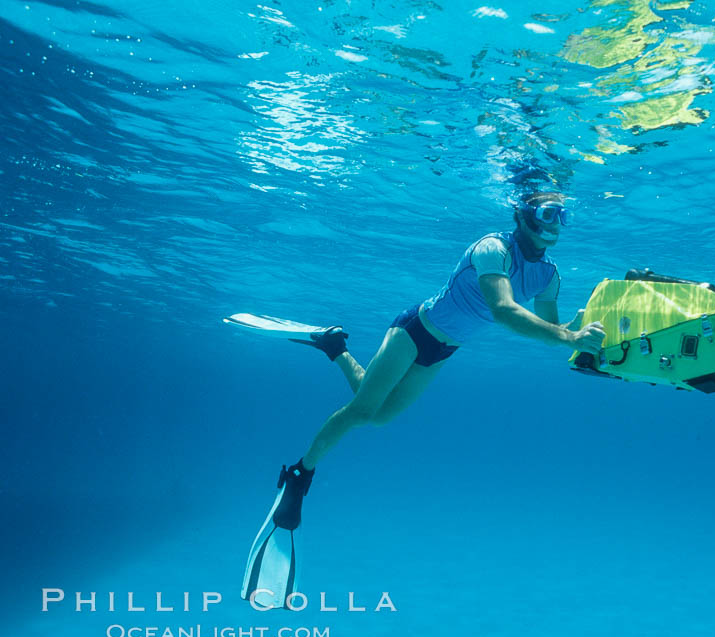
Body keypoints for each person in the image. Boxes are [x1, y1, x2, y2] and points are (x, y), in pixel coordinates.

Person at [243, 192, 607, 605]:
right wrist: (568, 337)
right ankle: (299, 474)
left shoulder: (550, 276)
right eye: (547, 212)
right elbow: (504, 311)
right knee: (362, 409)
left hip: (445, 348)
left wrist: (582, 327)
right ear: (523, 214)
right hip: (415, 330)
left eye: (564, 214)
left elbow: (549, 327)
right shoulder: (493, 249)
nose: (556, 222)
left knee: (378, 416)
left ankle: (333, 346)